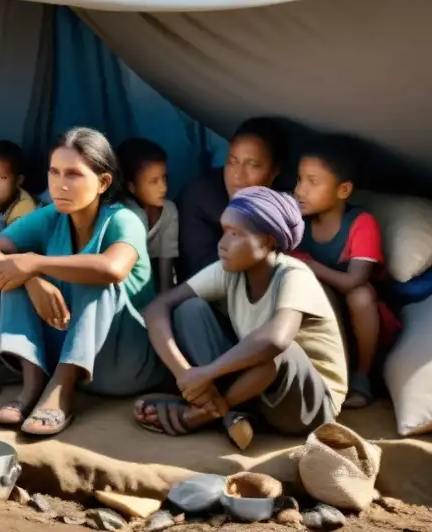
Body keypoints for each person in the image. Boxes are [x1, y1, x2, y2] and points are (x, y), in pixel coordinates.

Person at [0, 127, 168, 437]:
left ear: (103, 183)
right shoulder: (50, 217)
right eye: (54, 172)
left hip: (125, 361)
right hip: (68, 351)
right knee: (12, 275)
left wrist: (34, 262)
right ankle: (33, 387)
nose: (60, 185)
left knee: (96, 277)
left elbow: (113, 268)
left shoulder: (123, 219)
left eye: (73, 174)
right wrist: (31, 277)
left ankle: (60, 393)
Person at [135, 187, 347, 447]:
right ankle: (226, 411)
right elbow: (160, 306)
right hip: (253, 390)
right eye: (223, 231)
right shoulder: (230, 270)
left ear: (268, 241)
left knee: (280, 348)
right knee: (189, 309)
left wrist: (207, 374)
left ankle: (207, 412)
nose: (222, 243)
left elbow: (276, 342)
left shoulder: (294, 274)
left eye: (235, 234)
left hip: (307, 405)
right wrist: (185, 373)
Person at [293, 142, 400, 409]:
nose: (299, 190)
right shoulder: (296, 221)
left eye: (312, 182)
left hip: (361, 326)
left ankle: (362, 377)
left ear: (343, 190)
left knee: (361, 295)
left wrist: (311, 266)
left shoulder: (361, 224)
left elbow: (355, 280)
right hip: (315, 318)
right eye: (299, 179)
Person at [176, 118, 287, 282]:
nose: (238, 175)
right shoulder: (201, 197)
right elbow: (202, 275)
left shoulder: (285, 206)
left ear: (275, 171)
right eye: (232, 162)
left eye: (253, 165)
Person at [0, 139, 38, 332]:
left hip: (8, 263)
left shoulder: (25, 207)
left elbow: (16, 244)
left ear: (18, 180)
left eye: (2, 178)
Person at [118, 137, 178, 294]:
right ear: (132, 187)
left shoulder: (169, 212)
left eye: (164, 178)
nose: (163, 187)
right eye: (153, 181)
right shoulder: (125, 216)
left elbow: (167, 273)